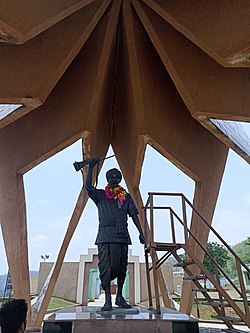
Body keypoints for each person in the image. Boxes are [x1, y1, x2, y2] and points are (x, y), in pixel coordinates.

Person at [85, 161, 146, 311]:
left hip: (121, 235)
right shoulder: (100, 195)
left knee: (121, 267)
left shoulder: (126, 197)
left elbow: (134, 215)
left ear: (120, 179)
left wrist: (141, 232)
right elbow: (88, 188)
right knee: (105, 267)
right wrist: (91, 167)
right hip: (105, 236)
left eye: (116, 177)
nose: (113, 179)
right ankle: (107, 300)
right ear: (107, 179)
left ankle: (119, 297)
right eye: (110, 177)